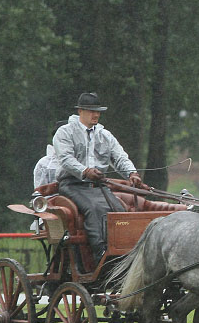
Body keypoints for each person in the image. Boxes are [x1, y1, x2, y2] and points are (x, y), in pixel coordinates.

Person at [53, 92, 144, 266]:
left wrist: (132, 174)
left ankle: (123, 252)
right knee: (94, 208)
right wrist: (85, 171)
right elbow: (66, 159)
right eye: (91, 111)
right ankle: (101, 252)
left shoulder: (105, 135)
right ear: (80, 111)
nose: (95, 115)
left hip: (98, 186)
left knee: (118, 209)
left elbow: (119, 158)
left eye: (98, 111)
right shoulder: (65, 132)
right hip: (72, 185)